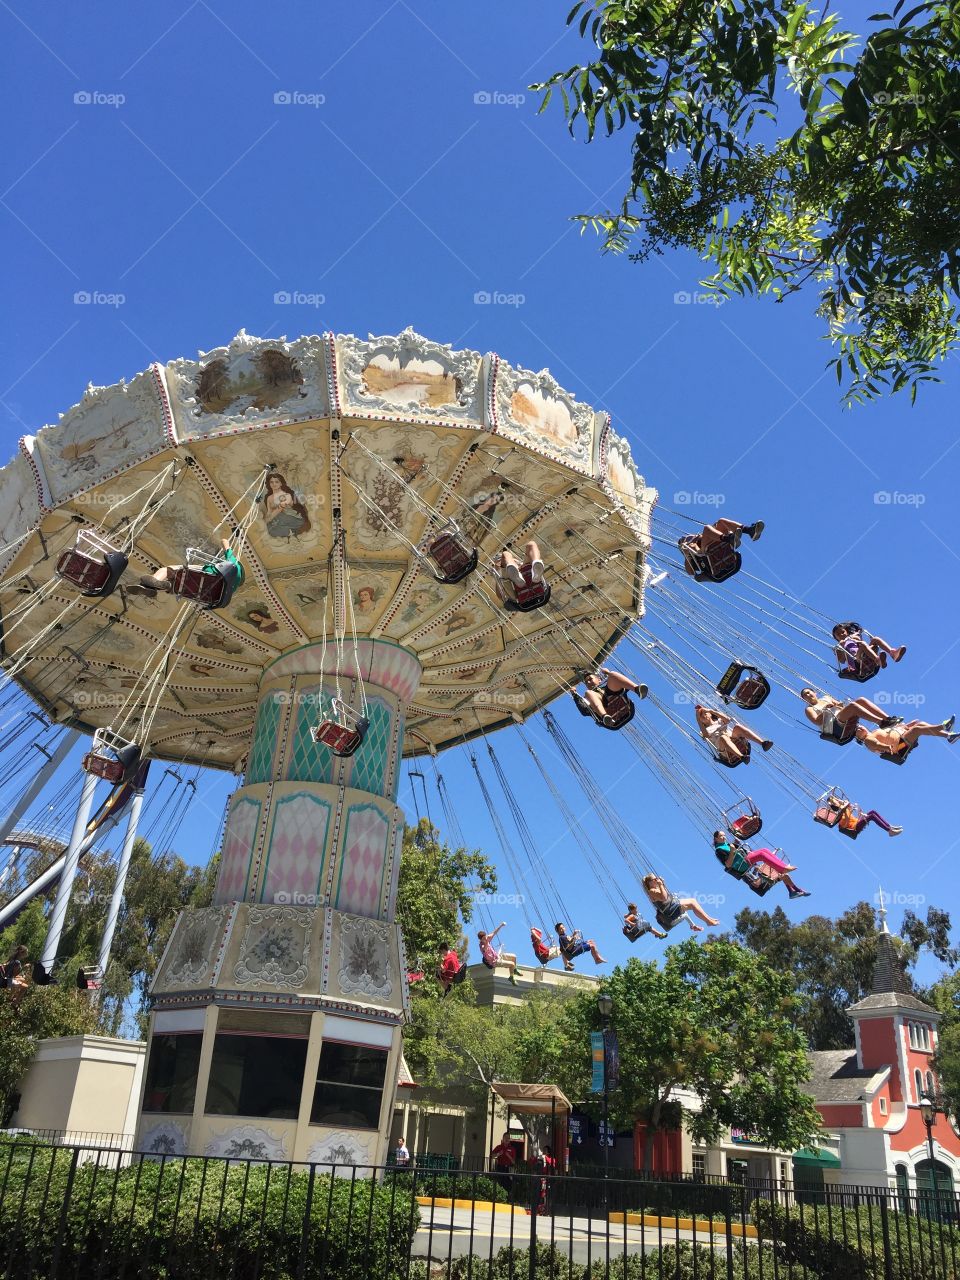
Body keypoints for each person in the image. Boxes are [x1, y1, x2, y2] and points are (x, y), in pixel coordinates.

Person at [712, 831, 810, 899]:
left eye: (724, 835)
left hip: (750, 866)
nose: (724, 837)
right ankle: (783, 868)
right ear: (716, 838)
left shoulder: (728, 845)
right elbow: (728, 865)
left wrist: (771, 856)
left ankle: (793, 891)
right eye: (721, 836)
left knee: (765, 851)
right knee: (762, 856)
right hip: (752, 878)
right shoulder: (719, 850)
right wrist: (733, 851)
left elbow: (741, 851)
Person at [140, 535, 244, 594]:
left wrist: (227, 544)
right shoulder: (231, 589)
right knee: (179, 582)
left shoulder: (235, 565)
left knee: (168, 570)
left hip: (207, 575)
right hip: (203, 593)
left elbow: (224, 542)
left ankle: (155, 581)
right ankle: (154, 587)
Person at [799, 688, 902, 744]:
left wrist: (836, 704)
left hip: (840, 717)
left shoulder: (826, 697)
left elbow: (840, 705)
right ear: (805, 699)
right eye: (805, 696)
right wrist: (826, 709)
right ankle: (880, 722)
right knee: (853, 706)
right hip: (832, 727)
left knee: (860, 700)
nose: (808, 695)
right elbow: (817, 721)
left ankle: (887, 719)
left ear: (815, 692)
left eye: (808, 692)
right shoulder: (809, 709)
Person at [679, 518, 764, 577]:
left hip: (718, 544)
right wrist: (687, 554)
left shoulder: (701, 537)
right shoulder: (690, 554)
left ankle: (749, 531)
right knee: (707, 528)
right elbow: (691, 573)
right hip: (706, 553)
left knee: (720, 521)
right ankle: (729, 538)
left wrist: (700, 536)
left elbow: (708, 533)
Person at [695, 705, 772, 766]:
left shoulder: (719, 721)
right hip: (723, 749)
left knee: (737, 727)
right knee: (723, 737)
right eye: (701, 716)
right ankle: (742, 757)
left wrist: (710, 710)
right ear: (701, 720)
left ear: (710, 714)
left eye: (705, 713)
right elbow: (706, 735)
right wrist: (698, 719)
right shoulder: (704, 730)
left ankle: (763, 743)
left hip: (733, 738)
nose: (703, 715)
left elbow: (728, 720)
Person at [855, 717, 958, 762]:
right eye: (857, 730)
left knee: (919, 724)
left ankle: (949, 736)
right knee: (917, 730)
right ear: (859, 738)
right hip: (899, 748)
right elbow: (876, 744)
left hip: (902, 738)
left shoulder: (876, 731)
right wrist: (887, 747)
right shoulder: (868, 740)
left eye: (859, 726)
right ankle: (943, 727)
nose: (859, 727)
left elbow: (893, 732)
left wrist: (907, 725)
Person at [641, 874, 719, 933]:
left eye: (656, 878)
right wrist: (661, 884)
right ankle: (708, 921)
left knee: (692, 903)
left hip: (671, 907)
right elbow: (664, 898)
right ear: (649, 882)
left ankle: (706, 920)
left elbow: (666, 895)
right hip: (669, 910)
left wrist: (663, 884)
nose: (656, 880)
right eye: (655, 879)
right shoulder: (651, 891)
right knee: (692, 902)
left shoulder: (656, 888)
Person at [578, 669, 648, 726]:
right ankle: (605, 717)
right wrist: (574, 695)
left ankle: (637, 689)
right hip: (604, 707)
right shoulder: (590, 696)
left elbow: (622, 684)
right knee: (588, 693)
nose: (589, 682)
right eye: (586, 682)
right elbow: (584, 712)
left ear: (599, 679)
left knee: (612, 674)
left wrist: (608, 673)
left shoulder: (606, 687)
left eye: (590, 679)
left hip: (614, 696)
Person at [832, 622, 905, 675]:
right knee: (863, 644)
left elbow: (859, 640)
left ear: (846, 631)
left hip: (866, 653)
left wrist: (854, 637)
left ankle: (893, 653)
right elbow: (841, 661)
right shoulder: (839, 647)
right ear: (836, 638)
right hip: (857, 659)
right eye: (838, 634)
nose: (841, 634)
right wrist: (840, 648)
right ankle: (878, 660)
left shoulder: (854, 637)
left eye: (842, 632)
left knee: (875, 639)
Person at [493, 541, 548, 609]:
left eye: (500, 559)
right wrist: (498, 575)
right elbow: (500, 595)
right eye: (498, 560)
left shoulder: (516, 562)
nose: (500, 561)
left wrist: (518, 564)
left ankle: (535, 565)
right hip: (514, 591)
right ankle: (524, 577)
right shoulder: (500, 574)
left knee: (531, 544)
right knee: (505, 554)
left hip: (524, 575)